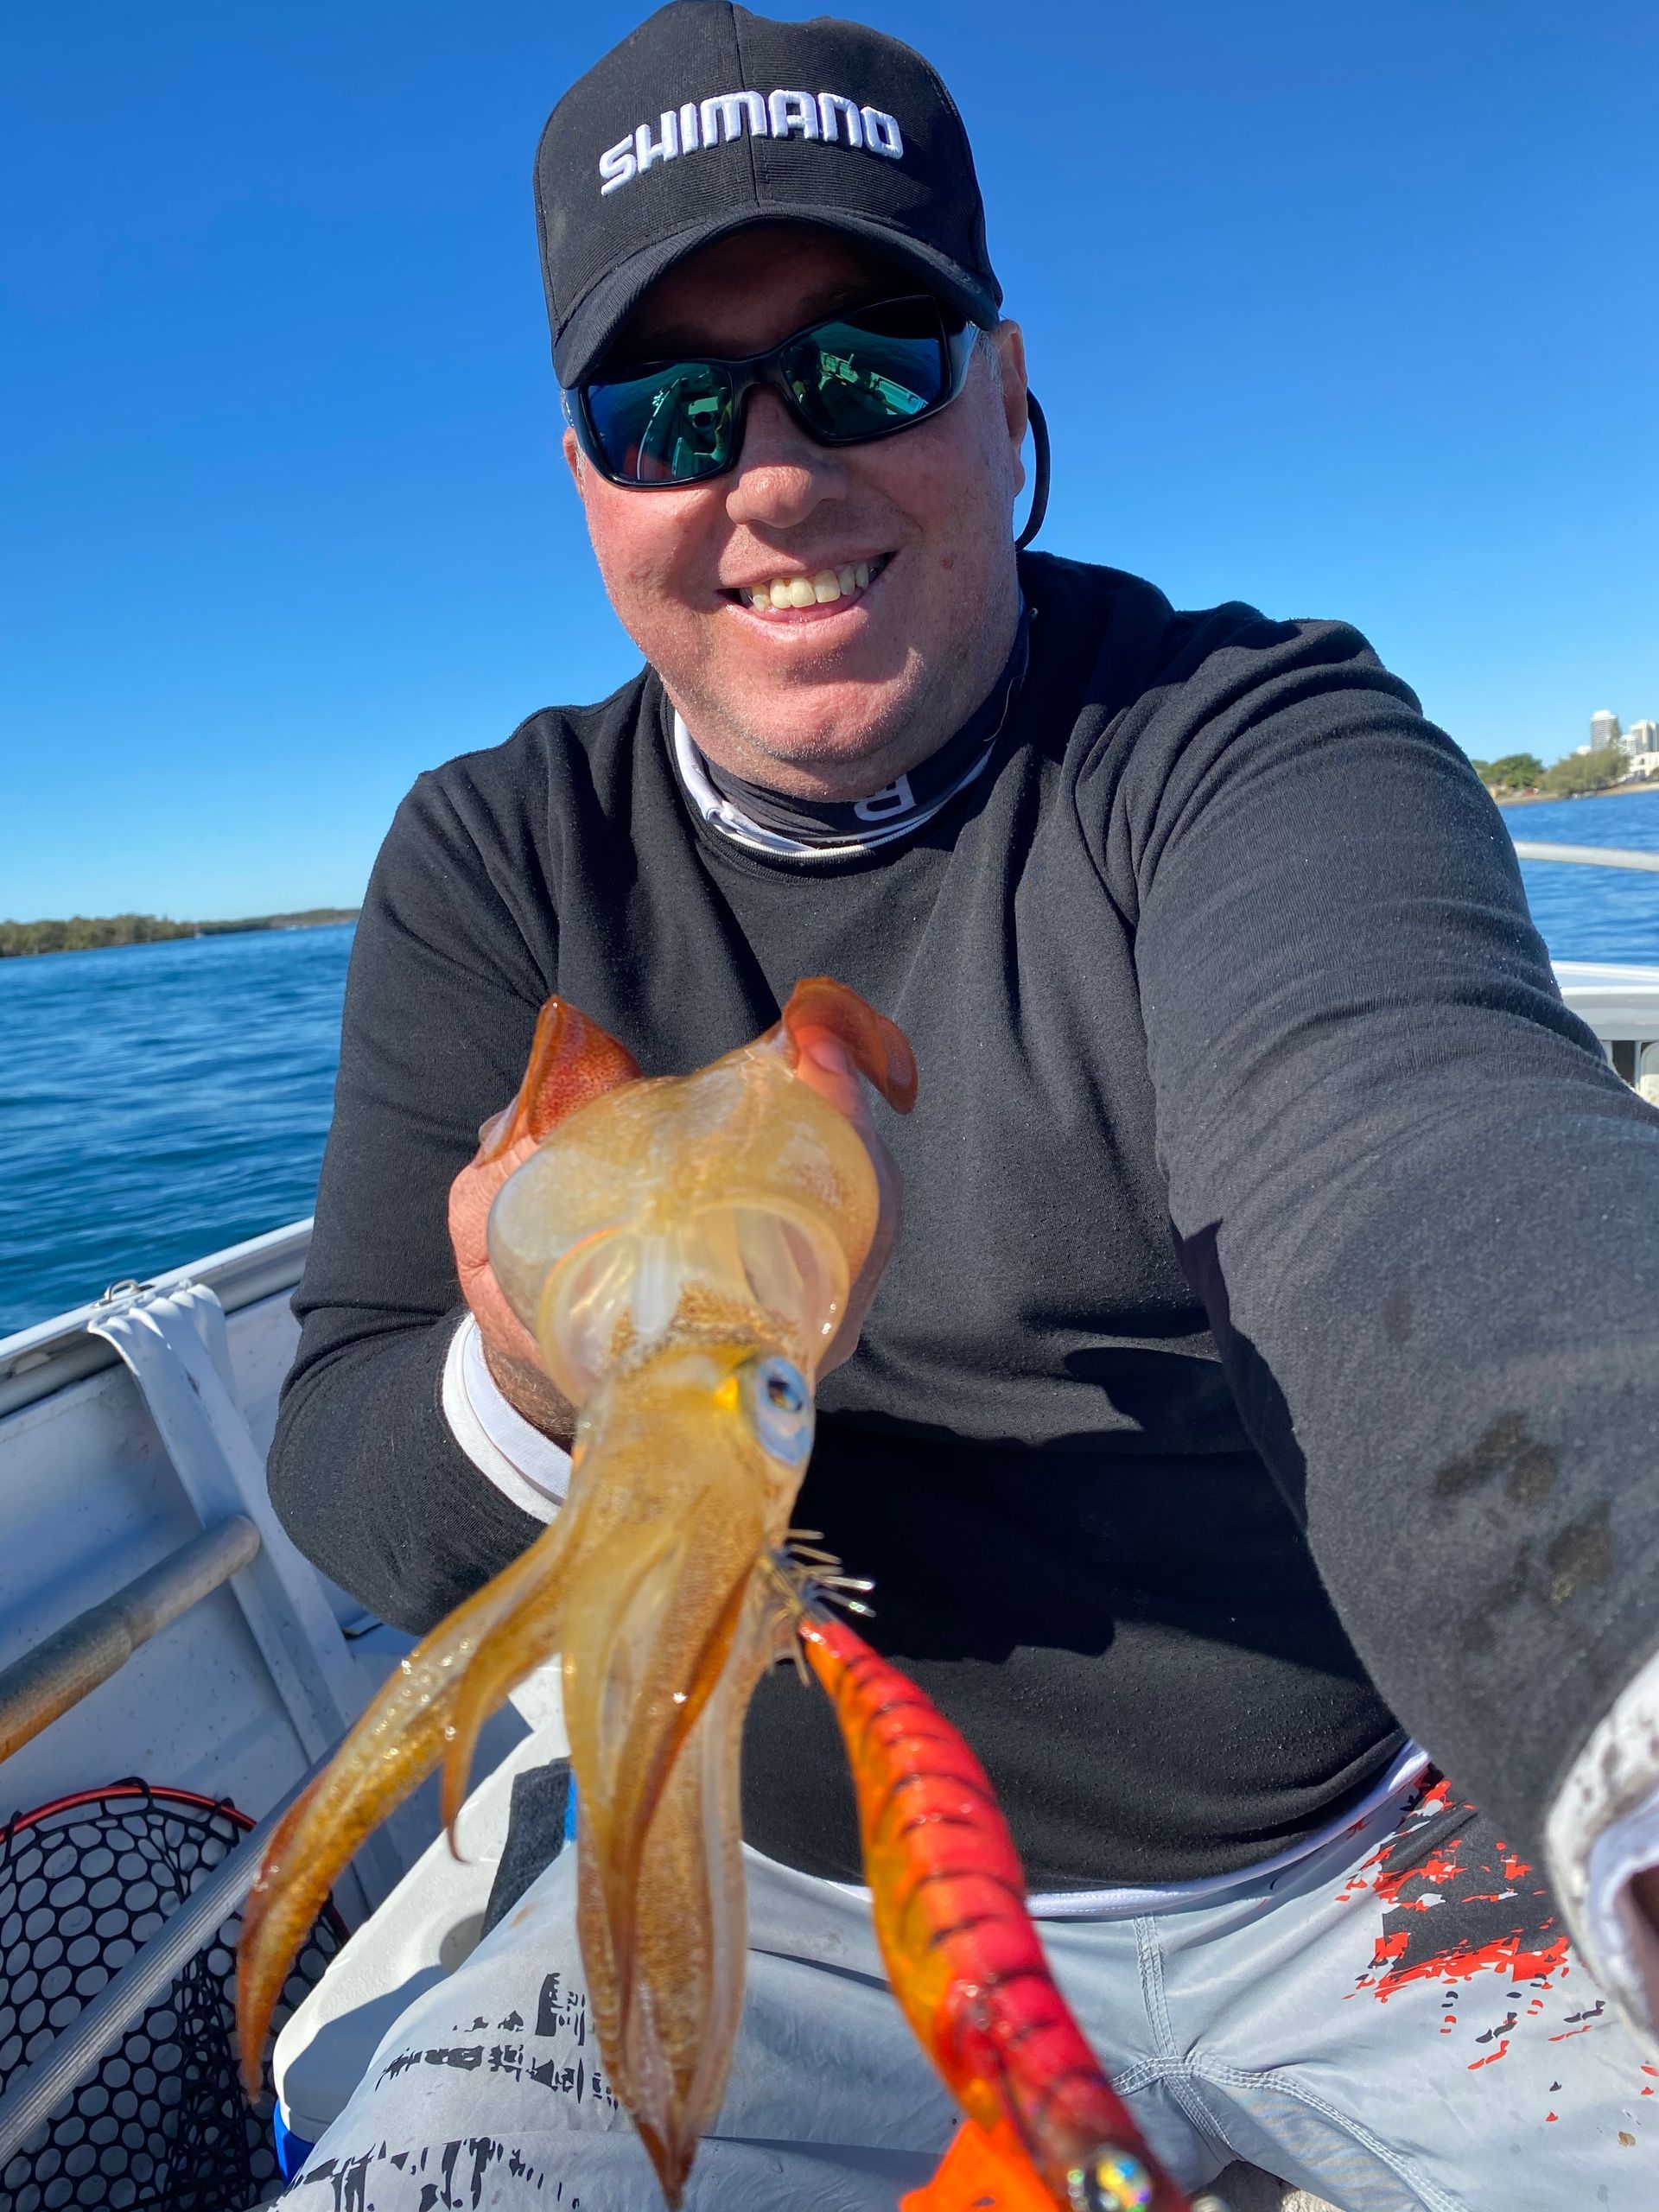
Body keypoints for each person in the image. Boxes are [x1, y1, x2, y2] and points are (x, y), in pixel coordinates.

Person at [268, 6, 1659, 2207]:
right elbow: (346, 1439)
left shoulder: (1238, 737)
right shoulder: (495, 854)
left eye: (865, 360)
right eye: (664, 407)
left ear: (1005, 383)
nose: (777, 471)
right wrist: (534, 1371)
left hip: (1366, 1853)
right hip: (772, 1874)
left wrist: (1631, 1682)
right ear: (585, 485)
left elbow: (1414, 1147)